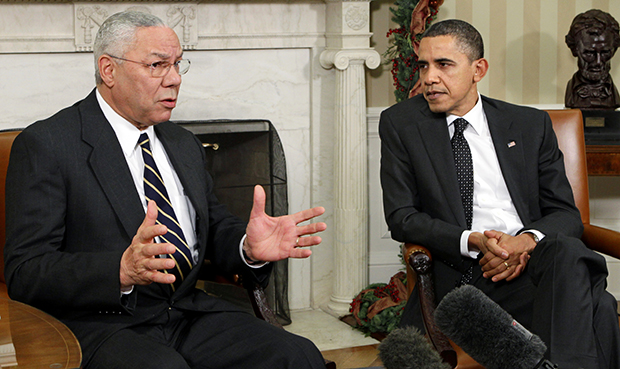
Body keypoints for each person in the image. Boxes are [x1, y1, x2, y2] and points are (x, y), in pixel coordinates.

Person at [4, 11, 327, 369]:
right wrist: (120, 269)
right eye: (157, 65)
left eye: (177, 64)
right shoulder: (48, 144)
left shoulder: (182, 142)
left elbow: (214, 226)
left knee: (298, 355)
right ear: (109, 70)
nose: (174, 79)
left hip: (186, 311)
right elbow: (25, 271)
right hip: (102, 324)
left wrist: (247, 248)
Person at [380, 19, 620, 369]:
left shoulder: (527, 125)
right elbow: (402, 218)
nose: (429, 77)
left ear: (478, 69)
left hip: (533, 267)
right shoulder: (401, 124)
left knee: (565, 249)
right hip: (464, 276)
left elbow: (565, 214)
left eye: (444, 65)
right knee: (596, 306)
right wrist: (474, 241)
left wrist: (523, 243)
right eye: (423, 65)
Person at [565, 9, 620, 109]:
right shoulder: (571, 93)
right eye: (589, 53)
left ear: (614, 50)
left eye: (605, 53)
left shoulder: (613, 95)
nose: (598, 62)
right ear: (574, 50)